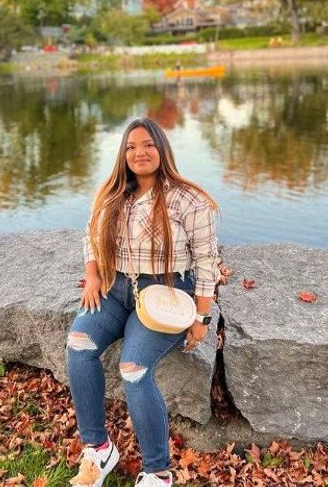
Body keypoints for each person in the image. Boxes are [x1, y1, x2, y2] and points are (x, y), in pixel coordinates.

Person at [66, 117, 219, 487]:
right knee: (78, 345)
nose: (140, 152)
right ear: (124, 154)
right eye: (132, 147)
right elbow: (91, 235)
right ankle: (99, 449)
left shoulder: (188, 200)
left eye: (148, 145)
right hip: (115, 290)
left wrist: (201, 316)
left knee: (133, 369)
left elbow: (206, 260)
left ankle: (157, 472)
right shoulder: (112, 193)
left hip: (165, 295)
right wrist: (93, 273)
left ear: (162, 149)